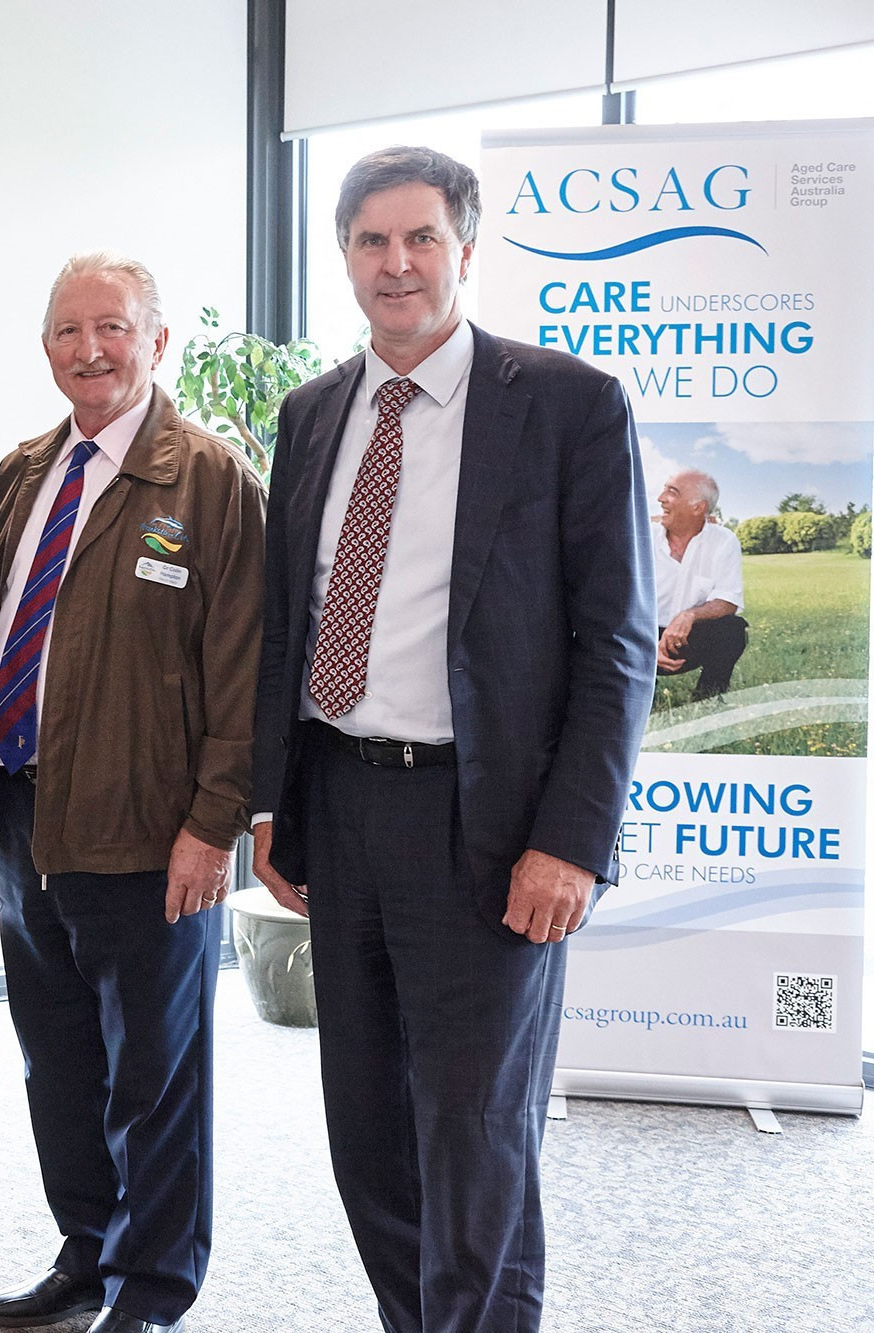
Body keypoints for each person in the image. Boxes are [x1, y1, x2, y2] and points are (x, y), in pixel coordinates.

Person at [250, 146, 656, 1332]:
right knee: (367, 1136)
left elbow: (614, 643)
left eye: (419, 238)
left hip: (487, 827)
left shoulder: (567, 405)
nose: (395, 263)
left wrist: (570, 843)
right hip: (340, 808)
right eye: (371, 241)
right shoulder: (311, 412)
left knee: (472, 1136)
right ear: (342, 257)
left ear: (463, 251)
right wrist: (274, 803)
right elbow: (291, 624)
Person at [0, 254, 265, 1333]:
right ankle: (85, 1254)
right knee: (58, 1061)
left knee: (155, 1074)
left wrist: (210, 826)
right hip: (21, 816)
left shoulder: (211, 481)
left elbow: (242, 671)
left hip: (151, 832)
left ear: (157, 340)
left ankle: (150, 1284)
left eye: (111, 327)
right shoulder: (20, 471)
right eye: (64, 331)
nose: (87, 349)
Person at [654, 469, 747, 699]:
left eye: (672, 492)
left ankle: (706, 699)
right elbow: (618, 605)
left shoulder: (723, 541)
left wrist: (688, 616)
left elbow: (728, 601)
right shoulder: (642, 538)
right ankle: (640, 687)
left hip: (685, 640)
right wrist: (644, 647)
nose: (660, 497)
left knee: (733, 630)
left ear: (698, 507)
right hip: (640, 640)